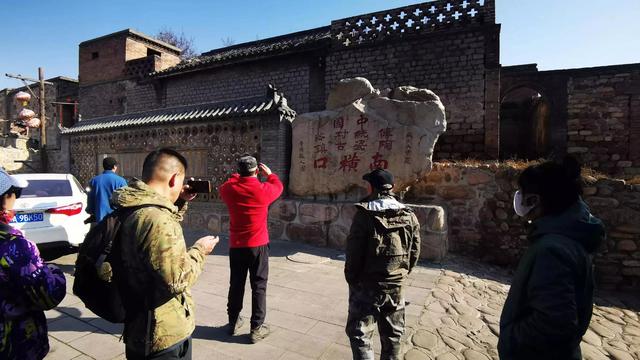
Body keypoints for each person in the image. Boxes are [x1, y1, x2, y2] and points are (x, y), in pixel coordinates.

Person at [111, 148, 219, 360]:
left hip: (139, 325)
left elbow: (155, 237)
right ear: (174, 178)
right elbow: (177, 280)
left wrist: (180, 201)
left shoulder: (133, 206)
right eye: (182, 180)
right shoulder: (157, 219)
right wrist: (200, 251)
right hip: (161, 334)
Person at [498, 156, 605, 360]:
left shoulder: (552, 251)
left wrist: (511, 341)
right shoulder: (569, 237)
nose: (519, 198)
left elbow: (553, 324)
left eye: (523, 193)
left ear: (534, 199)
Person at [344, 169, 421, 360]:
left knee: (361, 335)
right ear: (391, 188)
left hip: (367, 286)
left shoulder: (364, 215)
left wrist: (352, 280)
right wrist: (401, 274)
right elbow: (414, 251)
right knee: (393, 336)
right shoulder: (409, 215)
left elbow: (354, 254)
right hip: (396, 286)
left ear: (371, 187)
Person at [0, 169, 67, 360]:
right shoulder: (15, 246)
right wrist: (54, 271)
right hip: (13, 344)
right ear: (5, 198)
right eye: (15, 194)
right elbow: (47, 294)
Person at [219, 156, 283, 343]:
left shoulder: (230, 189)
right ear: (257, 171)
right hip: (259, 245)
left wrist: (236, 176)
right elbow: (278, 185)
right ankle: (256, 327)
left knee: (236, 284)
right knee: (259, 286)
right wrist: (270, 174)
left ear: (239, 172)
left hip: (237, 245)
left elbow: (227, 183)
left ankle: (232, 321)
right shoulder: (263, 190)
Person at [87, 157, 127, 223]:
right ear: (114, 167)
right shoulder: (121, 181)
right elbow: (125, 201)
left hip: (99, 220)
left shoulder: (94, 181)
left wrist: (91, 211)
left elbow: (90, 200)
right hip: (116, 220)